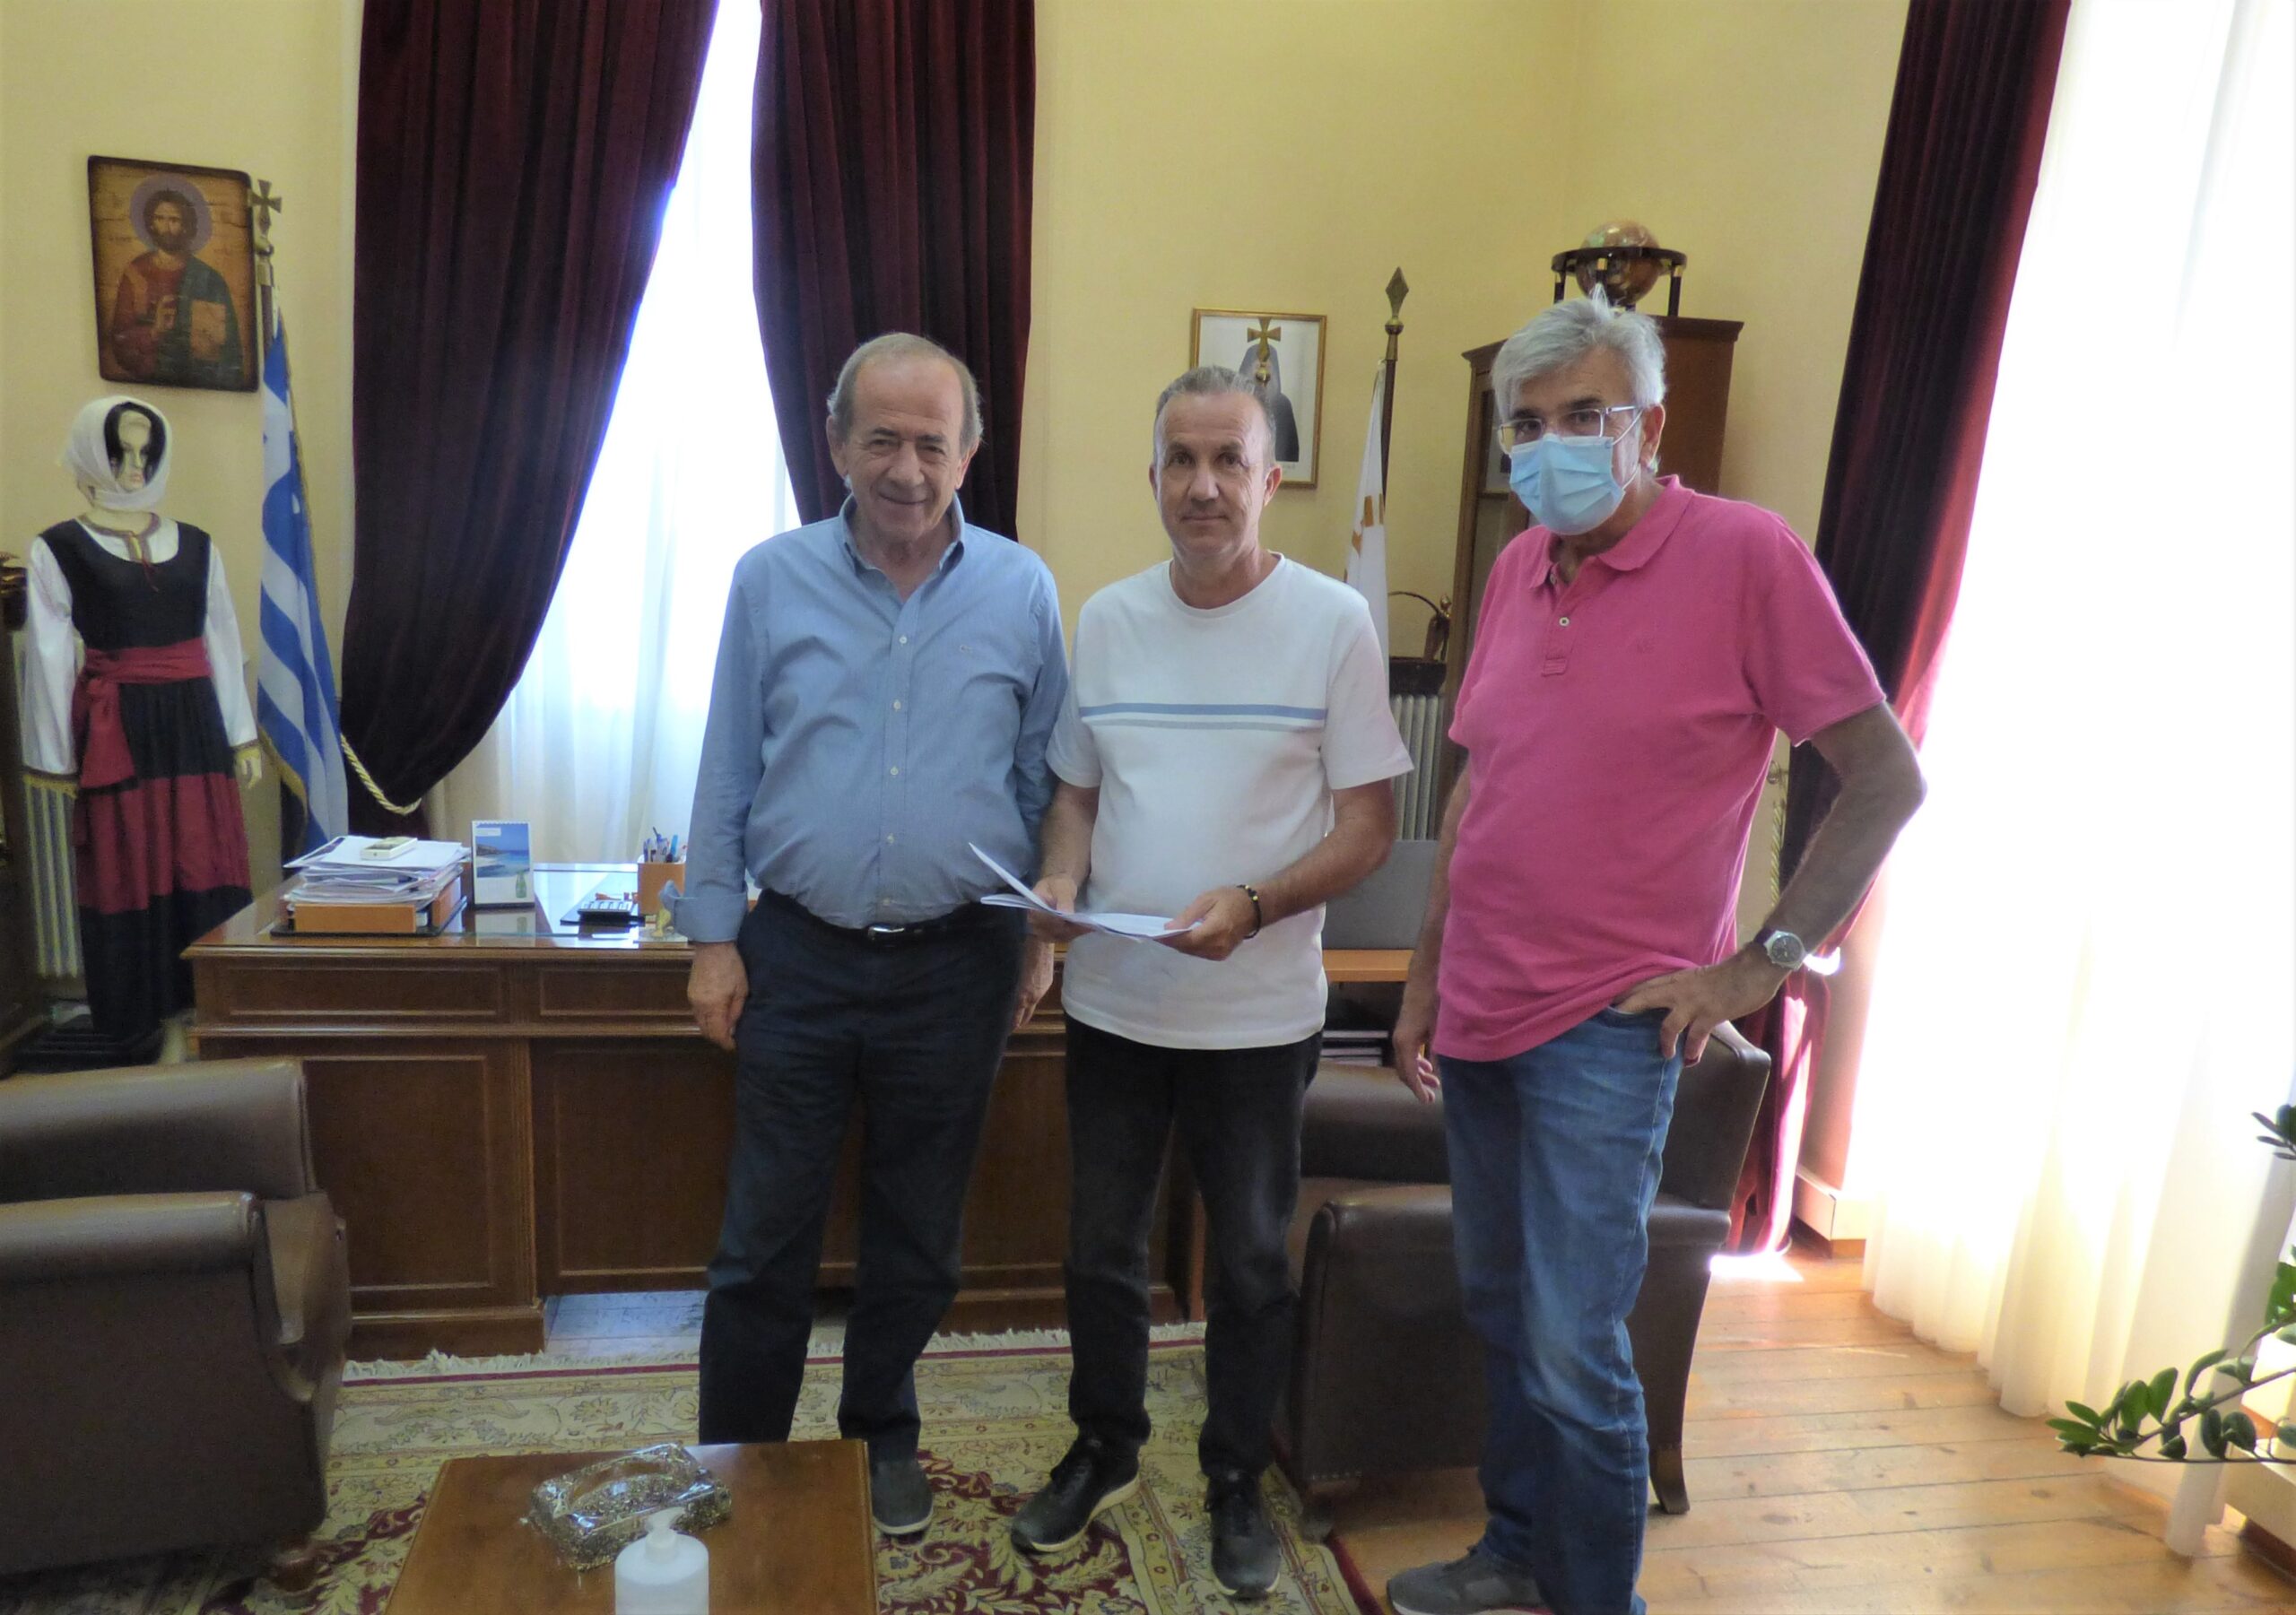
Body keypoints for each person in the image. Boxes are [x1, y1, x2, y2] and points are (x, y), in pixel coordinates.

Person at [1383, 294, 1926, 1615]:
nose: (1550, 446)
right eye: (1526, 425)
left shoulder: (1745, 557)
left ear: (1652, 426)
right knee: (1503, 1310)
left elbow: (1884, 778)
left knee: (1577, 1348)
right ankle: (1517, 1552)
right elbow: (1477, 794)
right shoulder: (1519, 566)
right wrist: (1423, 977)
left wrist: (1760, 964)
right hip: (1479, 1006)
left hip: (1609, 1025)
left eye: (1584, 416)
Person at [1009, 366, 1411, 1599]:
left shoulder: (1333, 622)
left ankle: (1234, 1476)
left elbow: (1370, 827)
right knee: (1100, 1250)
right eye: (1179, 460)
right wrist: (1059, 884)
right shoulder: (1108, 618)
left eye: (1227, 459)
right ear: (1152, 477)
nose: (1202, 484)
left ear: (1268, 478)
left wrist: (1255, 902)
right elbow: (1077, 792)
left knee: (1246, 1263)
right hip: (1116, 1007)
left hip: (1256, 1018)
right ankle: (1105, 1444)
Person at [679, 332, 1068, 1539]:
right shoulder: (769, 579)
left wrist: (1041, 930)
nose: (908, 468)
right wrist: (711, 937)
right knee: (763, 1240)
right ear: (837, 443)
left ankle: (880, 1433)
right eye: (883, 439)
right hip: (797, 952)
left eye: (932, 443)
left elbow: (1045, 776)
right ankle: (741, 1456)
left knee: (919, 1235)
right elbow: (728, 765)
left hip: (961, 960)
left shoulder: (1023, 590)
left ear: (970, 452)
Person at [20, 395, 260, 1053]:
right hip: (118, 730)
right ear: (92, 452)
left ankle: (204, 1019)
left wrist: (240, 735)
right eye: (121, 450)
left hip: (194, 726)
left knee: (202, 864)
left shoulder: (198, 545)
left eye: (146, 452)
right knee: (130, 871)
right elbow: (47, 657)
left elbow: (221, 639)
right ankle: (150, 1027)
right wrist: (56, 757)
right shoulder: (58, 548)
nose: (134, 466)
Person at [107, 186, 244, 387]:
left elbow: (226, 353)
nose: (166, 227)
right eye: (160, 219)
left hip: (199, 391)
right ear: (150, 223)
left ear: (186, 226)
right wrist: (154, 331)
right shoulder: (136, 274)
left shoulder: (208, 279)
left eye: (174, 220)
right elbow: (120, 342)